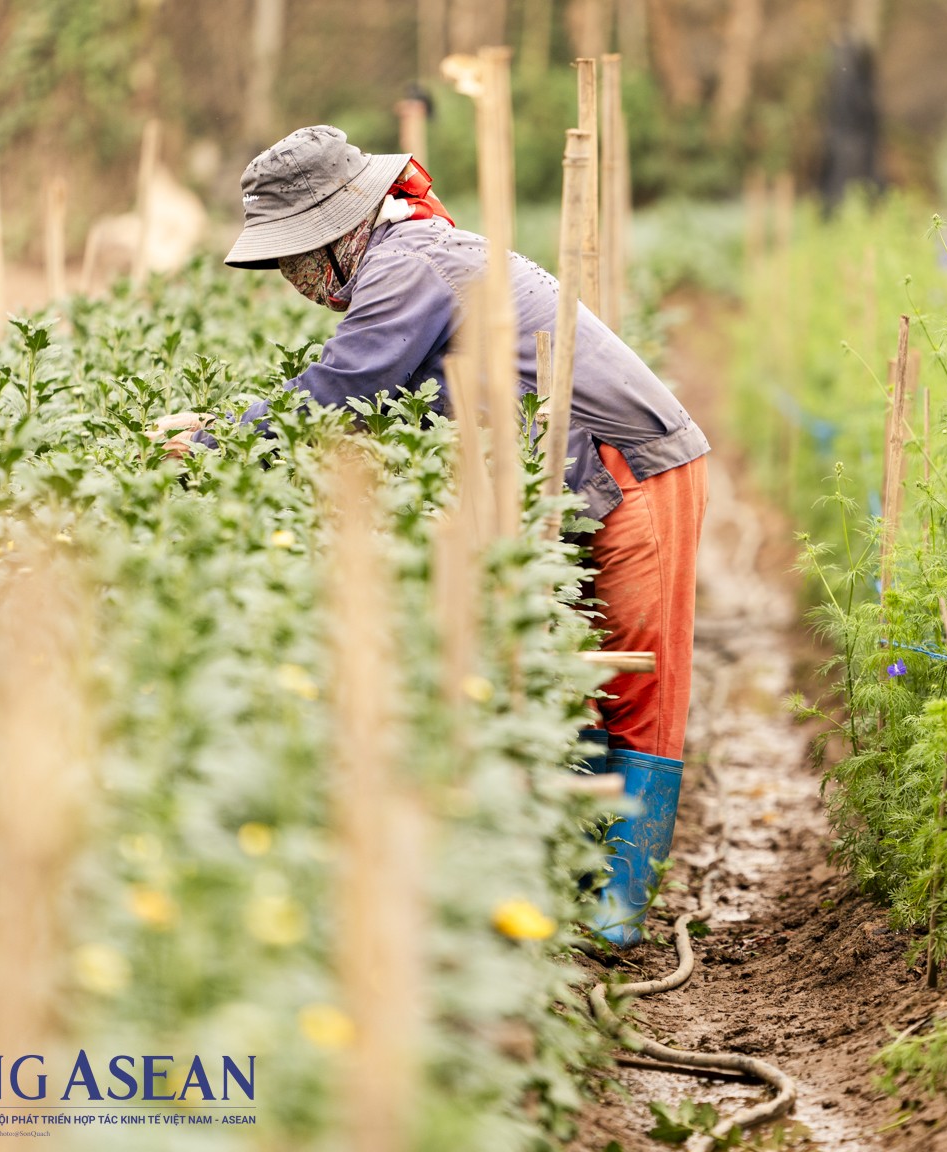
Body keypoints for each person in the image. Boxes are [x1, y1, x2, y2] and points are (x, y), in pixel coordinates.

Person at [216, 125, 706, 948]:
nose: (295, 281)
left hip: (630, 467)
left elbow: (347, 386)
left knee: (640, 683)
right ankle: (582, 879)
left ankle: (617, 916)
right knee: (580, 669)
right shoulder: (404, 256)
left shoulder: (407, 262)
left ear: (341, 231)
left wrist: (220, 443)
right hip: (577, 476)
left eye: (298, 260)